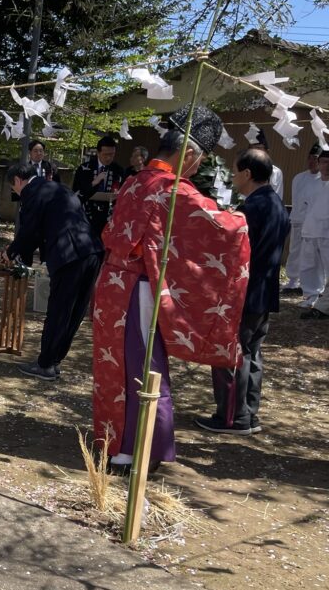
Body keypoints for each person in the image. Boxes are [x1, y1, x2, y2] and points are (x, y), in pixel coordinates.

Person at [92, 104, 250, 472]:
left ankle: (117, 441)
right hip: (139, 288)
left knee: (116, 365)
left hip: (112, 284)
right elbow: (223, 228)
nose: (196, 169)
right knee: (143, 366)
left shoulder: (134, 181)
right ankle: (134, 449)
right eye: (198, 162)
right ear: (189, 153)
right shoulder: (171, 190)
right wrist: (244, 216)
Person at [195, 149, 290, 435]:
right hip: (264, 290)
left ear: (247, 174)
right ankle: (248, 412)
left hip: (245, 291)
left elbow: (232, 250)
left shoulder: (252, 208)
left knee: (233, 352)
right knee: (252, 352)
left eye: (236, 172)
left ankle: (233, 417)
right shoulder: (275, 202)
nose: (233, 177)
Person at [2, 162, 102, 381]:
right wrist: (22, 257)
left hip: (69, 255)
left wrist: (11, 253)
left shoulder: (32, 192)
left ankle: (46, 364)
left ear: (18, 180)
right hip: (92, 251)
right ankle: (55, 360)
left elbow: (29, 231)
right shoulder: (58, 187)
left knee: (58, 309)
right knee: (75, 311)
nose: (16, 192)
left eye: (14, 188)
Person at [282, 144, 322, 293]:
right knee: (295, 250)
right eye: (310, 158)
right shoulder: (299, 178)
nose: (312, 161)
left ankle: (310, 284)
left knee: (311, 255)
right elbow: (296, 199)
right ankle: (292, 280)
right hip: (298, 219)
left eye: (316, 159)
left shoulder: (323, 180)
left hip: (314, 223)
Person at [73, 136, 123, 239]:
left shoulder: (118, 170)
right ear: (98, 152)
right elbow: (77, 192)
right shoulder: (85, 168)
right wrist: (94, 183)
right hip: (87, 214)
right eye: (106, 154)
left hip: (109, 215)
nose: (109, 158)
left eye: (112, 154)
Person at [298, 150, 329, 308]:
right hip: (310, 230)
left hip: (327, 232)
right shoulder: (312, 185)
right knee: (309, 265)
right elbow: (304, 208)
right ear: (319, 163)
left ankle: (326, 302)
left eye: (328, 162)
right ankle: (311, 296)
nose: (326, 165)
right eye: (323, 162)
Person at [249, 129, 284, 199]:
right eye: (252, 149)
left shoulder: (275, 172)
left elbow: (276, 198)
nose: (255, 153)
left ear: (267, 152)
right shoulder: (243, 170)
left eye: (259, 149)